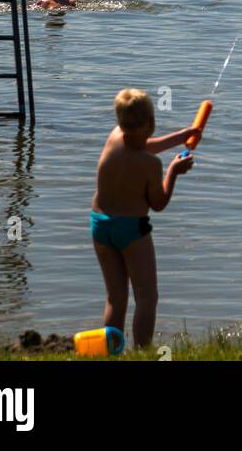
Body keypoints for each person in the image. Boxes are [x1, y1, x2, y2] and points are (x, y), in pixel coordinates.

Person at [91, 88, 200, 347]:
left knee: (115, 299)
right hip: (131, 230)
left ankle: (110, 351)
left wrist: (182, 137)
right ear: (151, 122)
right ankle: (143, 351)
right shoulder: (151, 165)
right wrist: (173, 171)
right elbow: (158, 203)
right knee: (146, 296)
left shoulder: (115, 136)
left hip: (99, 225)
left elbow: (142, 145)